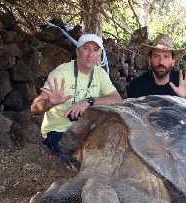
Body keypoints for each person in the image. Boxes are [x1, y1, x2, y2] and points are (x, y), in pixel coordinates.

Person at [31, 34, 122, 166]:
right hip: (59, 130)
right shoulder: (61, 73)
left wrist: (88, 101)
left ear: (100, 55)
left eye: (95, 50)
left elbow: (116, 99)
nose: (90, 54)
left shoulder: (100, 73)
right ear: (77, 51)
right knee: (82, 164)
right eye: (86, 48)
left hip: (87, 130)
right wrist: (50, 103)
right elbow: (34, 108)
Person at [127, 34, 186, 102]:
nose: (161, 62)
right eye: (156, 56)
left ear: (173, 61)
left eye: (166, 56)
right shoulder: (137, 86)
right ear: (149, 60)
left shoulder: (184, 84)